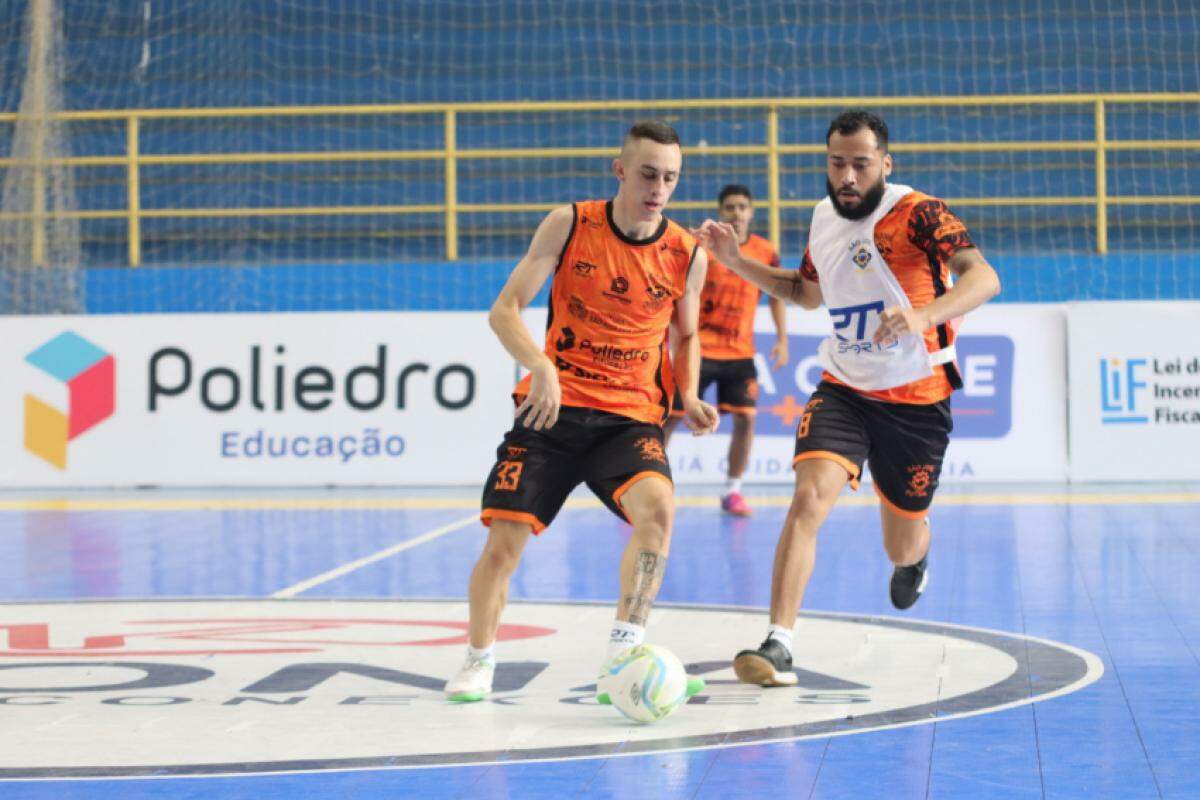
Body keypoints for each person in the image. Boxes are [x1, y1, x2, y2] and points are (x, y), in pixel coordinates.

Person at [692, 109, 1001, 687]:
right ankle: (779, 642)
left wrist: (923, 314)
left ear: (885, 163)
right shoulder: (821, 219)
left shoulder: (918, 212)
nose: (848, 177)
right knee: (808, 498)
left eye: (861, 164)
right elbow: (803, 293)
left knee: (900, 545)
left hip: (917, 401)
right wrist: (736, 262)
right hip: (844, 389)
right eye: (838, 163)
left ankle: (917, 553)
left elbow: (983, 277)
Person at [445, 120, 720, 702]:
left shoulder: (687, 253)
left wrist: (689, 393)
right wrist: (540, 366)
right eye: (648, 174)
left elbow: (688, 336)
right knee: (505, 543)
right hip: (552, 413)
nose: (658, 188)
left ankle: (623, 654)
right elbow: (505, 311)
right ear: (619, 170)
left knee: (659, 513)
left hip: (629, 418)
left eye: (670, 177)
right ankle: (478, 659)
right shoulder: (569, 224)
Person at [664, 184, 788, 516]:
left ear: (751, 212)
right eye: (730, 207)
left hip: (740, 353)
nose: (736, 213)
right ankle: (649, 487)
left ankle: (732, 490)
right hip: (699, 351)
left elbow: (776, 294)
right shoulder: (705, 249)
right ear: (721, 212)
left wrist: (782, 339)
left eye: (742, 207)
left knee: (747, 419)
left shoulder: (764, 251)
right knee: (671, 418)